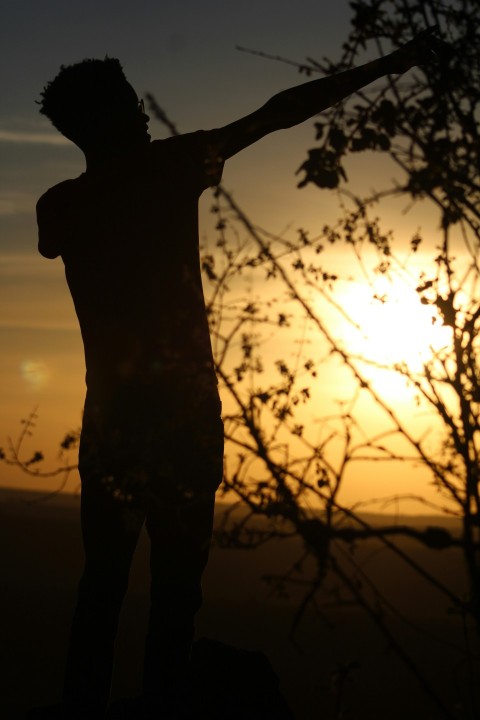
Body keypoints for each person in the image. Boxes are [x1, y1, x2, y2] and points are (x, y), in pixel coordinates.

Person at [32, 28, 445, 720]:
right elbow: (280, 111)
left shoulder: (60, 206)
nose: (141, 112)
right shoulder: (170, 166)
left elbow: (53, 243)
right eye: (130, 103)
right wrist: (395, 62)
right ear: (105, 118)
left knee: (101, 584)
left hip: (108, 421)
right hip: (185, 419)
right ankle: (162, 704)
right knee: (175, 590)